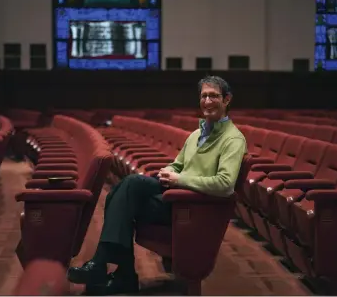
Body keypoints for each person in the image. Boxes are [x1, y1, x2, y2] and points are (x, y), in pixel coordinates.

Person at [67, 75, 247, 295]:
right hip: (177, 195)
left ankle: (107, 266)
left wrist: (178, 179)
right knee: (119, 195)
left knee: (128, 190)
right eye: (204, 96)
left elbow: (225, 185)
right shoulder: (197, 134)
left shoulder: (233, 140)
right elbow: (179, 164)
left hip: (190, 208)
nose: (208, 101)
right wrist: (170, 170)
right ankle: (118, 273)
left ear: (227, 99)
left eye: (214, 96)